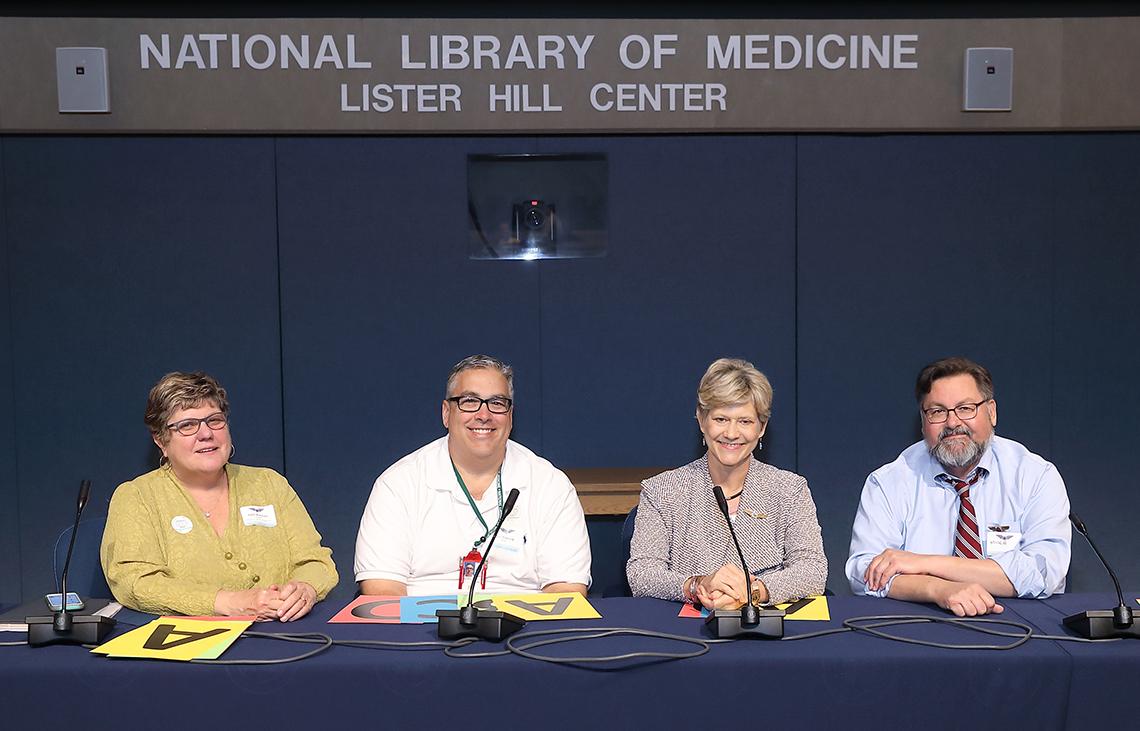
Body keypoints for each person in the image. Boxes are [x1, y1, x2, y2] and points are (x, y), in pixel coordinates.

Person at [101, 372, 338, 620]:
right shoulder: (138, 497)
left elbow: (316, 562)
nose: (206, 434)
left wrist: (304, 589)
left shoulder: (269, 483)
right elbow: (134, 582)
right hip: (191, 639)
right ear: (161, 440)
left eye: (214, 420)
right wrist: (228, 603)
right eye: (187, 425)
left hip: (286, 630)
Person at [846, 356, 1070, 617]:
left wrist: (923, 564)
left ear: (992, 412)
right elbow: (863, 571)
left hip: (1021, 624)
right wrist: (936, 589)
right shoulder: (889, 482)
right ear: (923, 422)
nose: (952, 423)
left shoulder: (1035, 475)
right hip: (920, 625)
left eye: (965, 408)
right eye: (937, 412)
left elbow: (1043, 572)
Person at [355, 355, 591, 596]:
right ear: (446, 413)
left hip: (524, 617)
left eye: (497, 403)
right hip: (420, 616)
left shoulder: (550, 485)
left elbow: (567, 591)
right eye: (469, 401)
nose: (484, 415)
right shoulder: (398, 484)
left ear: (510, 416)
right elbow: (381, 589)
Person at [627, 358, 826, 609]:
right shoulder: (661, 491)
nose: (731, 434)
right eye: (721, 419)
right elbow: (641, 574)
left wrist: (753, 592)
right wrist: (697, 586)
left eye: (745, 421)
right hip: (683, 628)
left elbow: (813, 570)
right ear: (701, 420)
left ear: (762, 428)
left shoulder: (790, 490)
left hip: (763, 626)